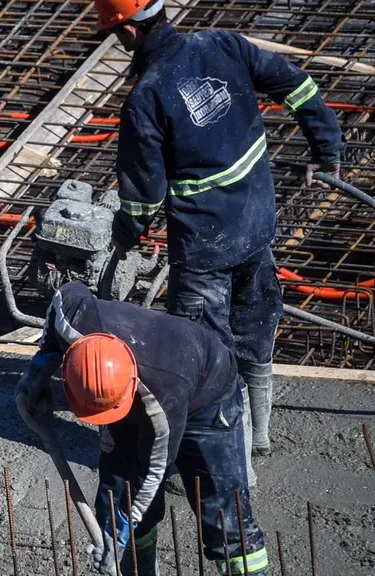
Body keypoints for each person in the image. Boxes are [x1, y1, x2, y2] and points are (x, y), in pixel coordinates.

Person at [97, 0, 343, 473]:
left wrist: (127, 233)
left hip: (203, 248)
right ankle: (261, 436)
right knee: (255, 325)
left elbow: (144, 195)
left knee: (204, 355)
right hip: (256, 225)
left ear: (127, 33)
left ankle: (236, 467)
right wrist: (326, 148)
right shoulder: (223, 44)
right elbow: (298, 84)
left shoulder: (147, 96)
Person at [16, 282, 276, 576]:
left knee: (227, 523)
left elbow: (151, 475)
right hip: (130, 385)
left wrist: (121, 527)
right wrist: (40, 367)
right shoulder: (76, 318)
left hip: (209, 399)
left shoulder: (163, 402)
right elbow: (63, 296)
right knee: (115, 498)